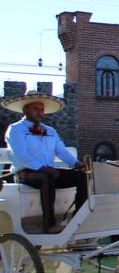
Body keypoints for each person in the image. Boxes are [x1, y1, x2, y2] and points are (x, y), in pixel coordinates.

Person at [3, 92, 88, 233]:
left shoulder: (50, 131)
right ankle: (49, 225)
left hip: (49, 171)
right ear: (25, 110)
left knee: (83, 177)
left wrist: (76, 163)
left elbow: (61, 151)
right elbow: (21, 155)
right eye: (35, 109)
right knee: (45, 177)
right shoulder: (16, 129)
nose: (40, 112)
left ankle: (77, 219)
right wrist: (42, 168)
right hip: (25, 172)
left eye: (42, 109)